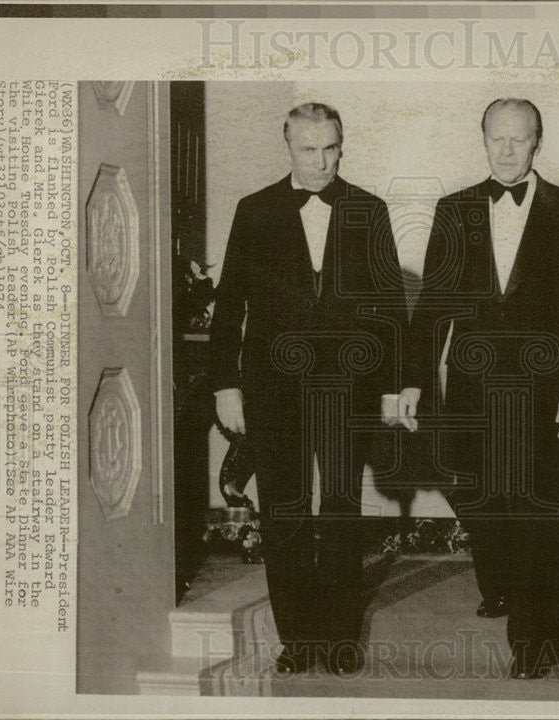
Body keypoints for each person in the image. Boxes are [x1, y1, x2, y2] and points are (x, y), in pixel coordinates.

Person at [397, 98, 559, 679]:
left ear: (538, 141)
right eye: (497, 139)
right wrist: (415, 379)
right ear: (483, 139)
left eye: (520, 139)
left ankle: (535, 641)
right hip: (472, 388)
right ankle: (502, 585)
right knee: (486, 499)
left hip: (545, 392)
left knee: (537, 507)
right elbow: (433, 306)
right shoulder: (455, 209)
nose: (508, 150)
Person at [210, 103, 405, 676]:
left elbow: (390, 309)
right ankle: (298, 639)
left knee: (342, 508)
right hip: (272, 388)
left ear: (343, 145)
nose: (320, 162)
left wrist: (392, 389)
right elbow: (230, 310)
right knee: (285, 511)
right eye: (308, 150)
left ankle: (342, 637)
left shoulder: (369, 210)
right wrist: (226, 384)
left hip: (347, 386)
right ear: (288, 147)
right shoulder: (255, 210)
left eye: (331, 149)